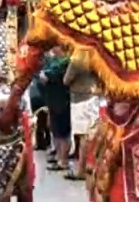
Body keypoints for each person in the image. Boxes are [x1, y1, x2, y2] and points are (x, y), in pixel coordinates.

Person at [63, 52, 99, 181]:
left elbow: (66, 80)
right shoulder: (95, 55)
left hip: (80, 99)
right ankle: (90, 164)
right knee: (92, 133)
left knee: (83, 136)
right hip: (94, 96)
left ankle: (81, 170)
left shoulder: (77, 59)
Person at [41, 46, 71, 172]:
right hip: (54, 100)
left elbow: (47, 77)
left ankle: (63, 160)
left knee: (62, 132)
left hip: (61, 101)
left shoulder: (65, 62)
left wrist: (45, 75)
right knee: (55, 130)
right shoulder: (55, 62)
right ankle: (59, 156)